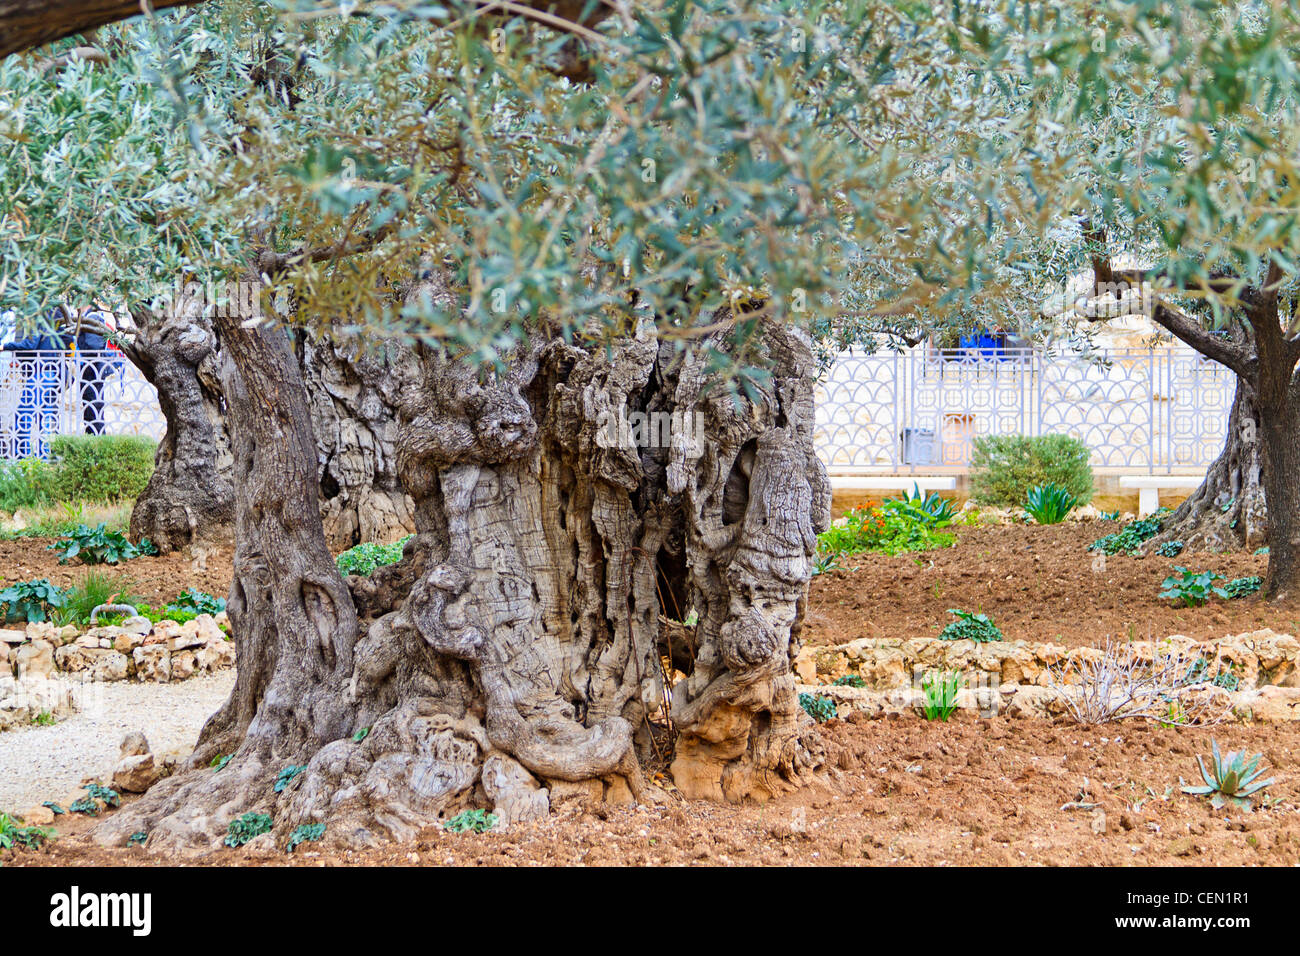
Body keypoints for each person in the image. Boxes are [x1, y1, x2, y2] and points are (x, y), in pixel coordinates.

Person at [1, 308, 68, 459]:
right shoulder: (54, 314)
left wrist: (5, 347)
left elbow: (30, 344)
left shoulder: (39, 315)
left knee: (23, 415)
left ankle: (23, 457)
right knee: (46, 416)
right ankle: (44, 457)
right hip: (53, 372)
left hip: (41, 373)